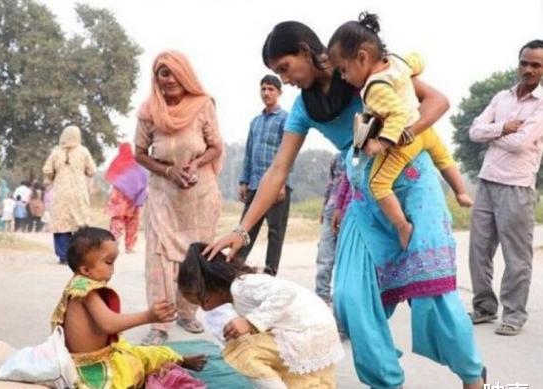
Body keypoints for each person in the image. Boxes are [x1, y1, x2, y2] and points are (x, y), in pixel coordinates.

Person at [205, 21, 486, 389]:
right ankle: (387, 382)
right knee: (351, 299)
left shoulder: (366, 72)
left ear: (306, 51)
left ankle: (472, 377)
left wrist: (395, 137)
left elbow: (437, 102)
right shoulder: (305, 108)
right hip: (365, 197)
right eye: (277, 73)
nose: (284, 80)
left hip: (413, 186)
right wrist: (241, 232)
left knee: (432, 293)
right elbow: (278, 171)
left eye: (285, 68)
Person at [327, 13, 472, 249]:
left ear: (362, 58)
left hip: (406, 139)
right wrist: (410, 73)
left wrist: (383, 143)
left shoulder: (374, 88)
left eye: (343, 70)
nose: (343, 78)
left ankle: (402, 226)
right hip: (427, 130)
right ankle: (461, 191)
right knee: (443, 158)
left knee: (378, 184)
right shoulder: (396, 63)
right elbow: (418, 61)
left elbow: (396, 113)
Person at [134, 50, 223, 342]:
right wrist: (168, 171)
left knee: (195, 256)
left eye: (172, 72)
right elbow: (140, 153)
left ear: (184, 74)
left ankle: (187, 312)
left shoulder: (203, 105)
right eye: (162, 73)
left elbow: (215, 146)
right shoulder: (149, 110)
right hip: (163, 193)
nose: (168, 79)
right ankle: (160, 323)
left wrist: (194, 164)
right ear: (156, 78)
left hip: (199, 194)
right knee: (158, 258)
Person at [50, 226, 206, 389]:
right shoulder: (86, 290)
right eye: (108, 263)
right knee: (134, 366)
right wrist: (148, 316)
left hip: (104, 354)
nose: (113, 270)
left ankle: (179, 359)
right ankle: (173, 363)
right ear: (85, 270)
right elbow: (109, 324)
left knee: (146, 353)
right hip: (92, 367)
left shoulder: (78, 284)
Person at [179, 242, 343, 389]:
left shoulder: (242, 286)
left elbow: (286, 292)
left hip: (310, 331)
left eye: (202, 300)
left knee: (240, 350)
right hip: (317, 332)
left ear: (211, 286)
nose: (205, 308)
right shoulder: (237, 292)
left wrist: (251, 321)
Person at [468, 39, 543, 336]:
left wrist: (493, 134)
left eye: (535, 65)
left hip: (517, 187)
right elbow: (474, 131)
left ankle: (513, 315)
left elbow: (521, 143)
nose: (528, 69)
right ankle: (484, 307)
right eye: (524, 62)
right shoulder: (502, 97)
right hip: (487, 182)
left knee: (516, 256)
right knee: (478, 251)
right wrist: (502, 128)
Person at [238, 75, 290, 276]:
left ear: (279, 92)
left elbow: (288, 153)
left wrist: (283, 183)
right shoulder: (255, 122)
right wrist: (244, 180)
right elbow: (249, 153)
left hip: (277, 187)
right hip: (254, 185)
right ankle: (236, 270)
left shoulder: (286, 119)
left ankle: (270, 276)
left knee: (275, 234)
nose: (266, 93)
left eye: (271, 89)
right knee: (245, 229)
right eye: (263, 89)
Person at [42, 125, 97, 264]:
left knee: (61, 224)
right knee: (80, 223)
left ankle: (63, 256)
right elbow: (92, 171)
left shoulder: (56, 152)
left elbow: (47, 170)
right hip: (79, 192)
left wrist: (54, 175)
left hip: (61, 193)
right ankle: (80, 255)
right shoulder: (83, 151)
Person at [105, 142, 148, 254]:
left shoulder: (117, 162)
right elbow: (143, 180)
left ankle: (114, 242)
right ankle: (129, 246)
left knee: (117, 220)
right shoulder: (136, 164)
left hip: (118, 197)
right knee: (132, 223)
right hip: (132, 200)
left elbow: (111, 176)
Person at [315, 152, 345, 303]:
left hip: (349, 213)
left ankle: (341, 296)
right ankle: (322, 295)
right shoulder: (337, 158)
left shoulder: (362, 154)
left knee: (345, 259)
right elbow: (330, 183)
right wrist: (324, 207)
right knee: (324, 255)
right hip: (330, 210)